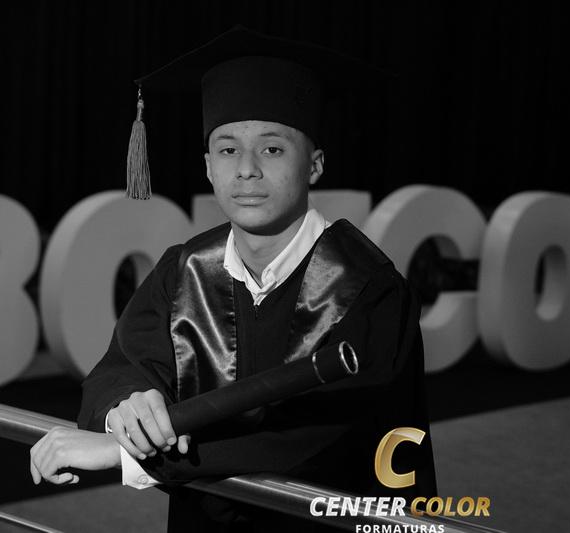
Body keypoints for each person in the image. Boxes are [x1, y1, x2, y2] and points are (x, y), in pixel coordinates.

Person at [28, 26, 436, 532]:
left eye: (272, 150)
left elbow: (311, 435)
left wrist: (125, 453)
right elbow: (124, 365)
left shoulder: (369, 289)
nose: (246, 170)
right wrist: (127, 407)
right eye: (227, 150)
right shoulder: (184, 270)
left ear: (314, 165)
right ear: (207, 167)